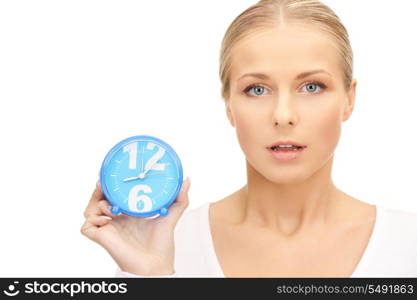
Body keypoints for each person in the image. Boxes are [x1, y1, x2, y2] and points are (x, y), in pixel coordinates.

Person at [81, 0, 417, 277]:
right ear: (229, 105)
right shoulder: (170, 244)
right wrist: (150, 277)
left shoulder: (408, 245)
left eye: (312, 86)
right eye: (256, 89)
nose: (283, 115)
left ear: (349, 98)